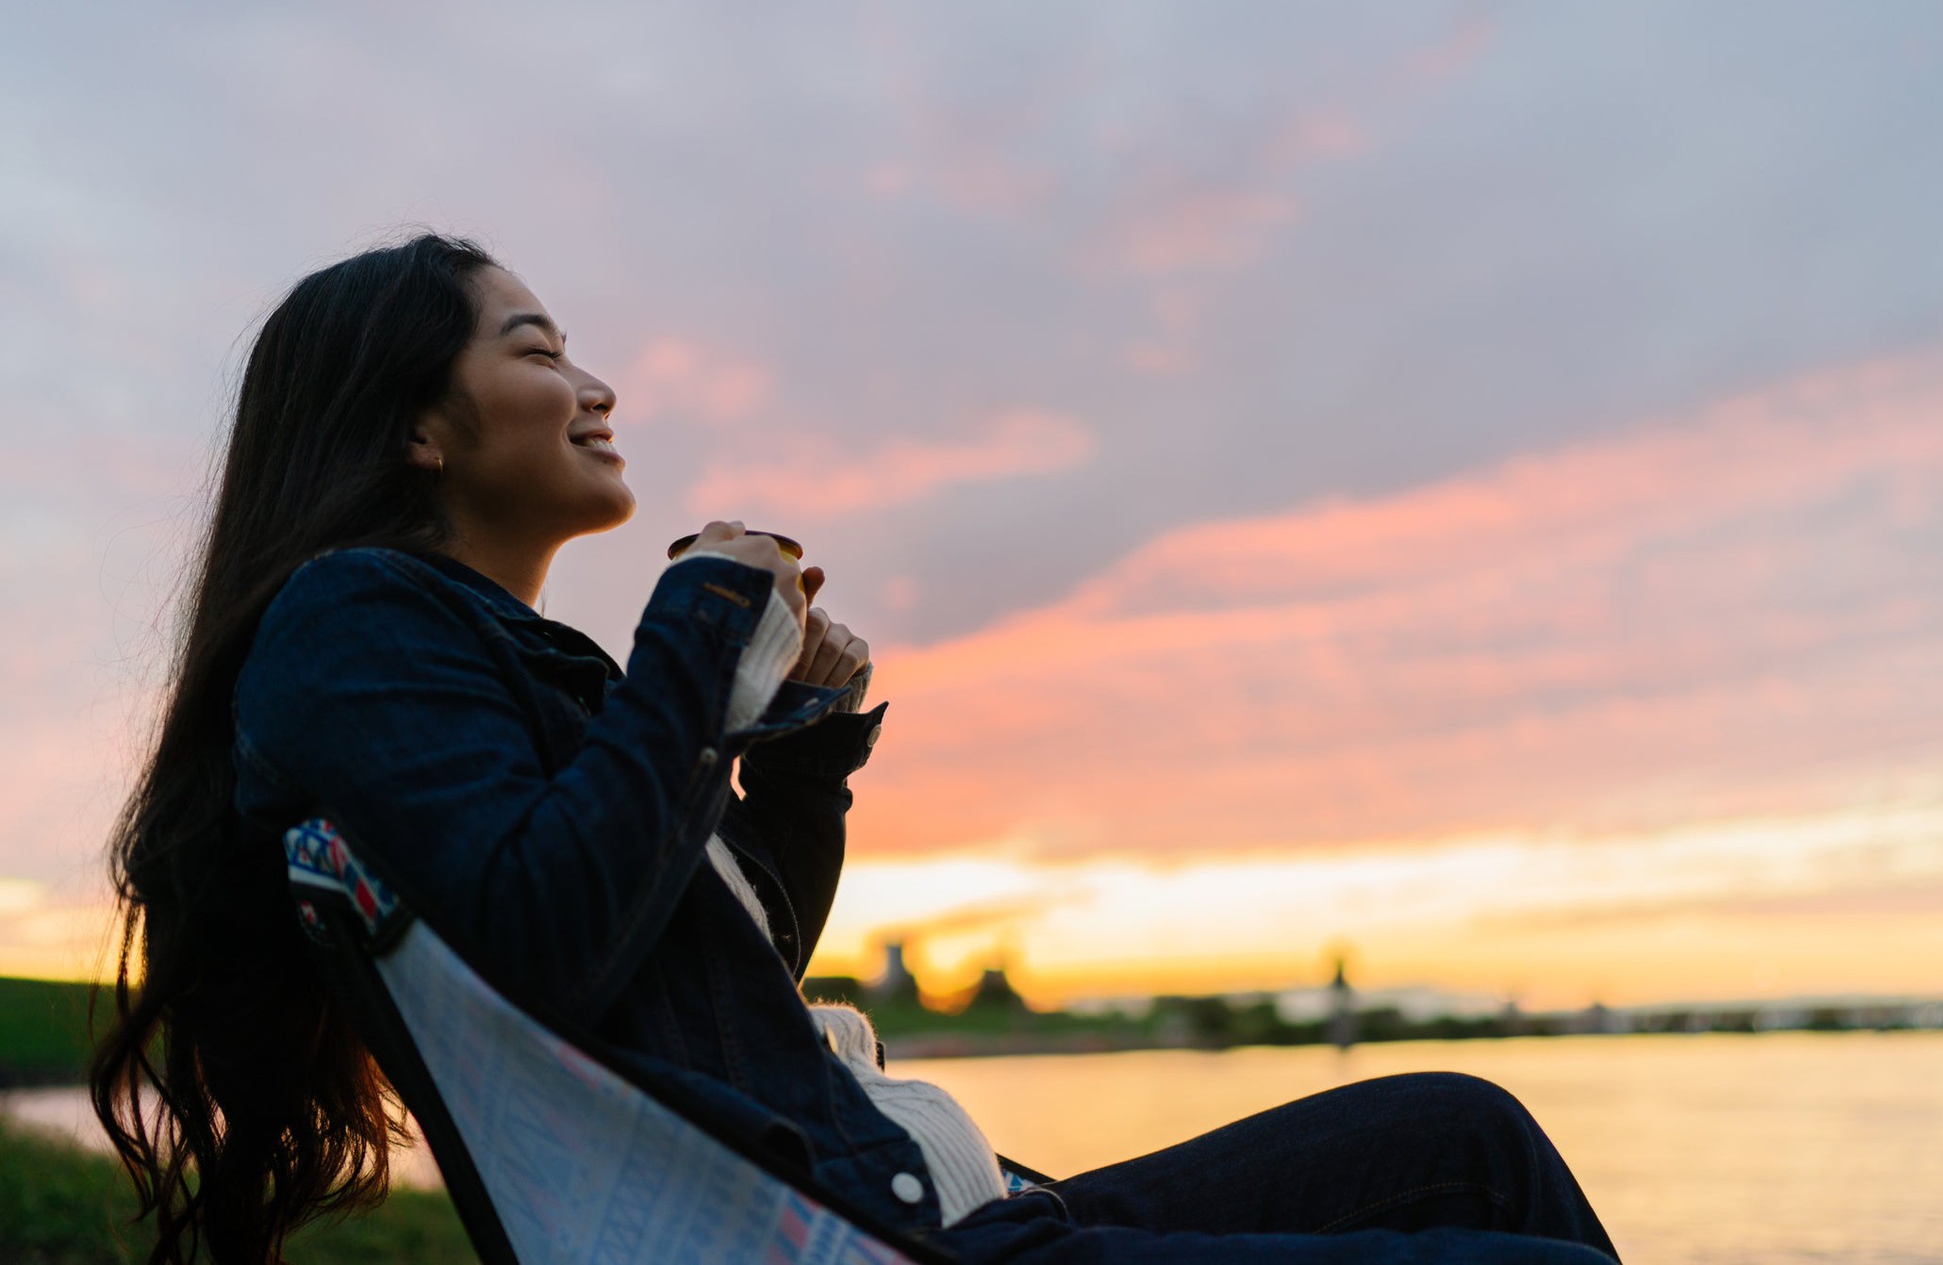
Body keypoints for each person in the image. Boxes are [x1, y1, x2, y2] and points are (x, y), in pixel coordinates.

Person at [91, 233, 1620, 1264]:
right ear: (415, 426)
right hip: (893, 1239)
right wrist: (697, 620)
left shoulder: (493, 666)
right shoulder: (350, 620)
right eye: (541, 347)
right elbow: (547, 938)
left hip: (943, 1196)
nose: (599, 386)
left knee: (1467, 1132)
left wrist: (794, 761)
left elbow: (705, 991)